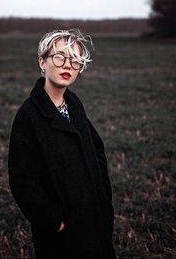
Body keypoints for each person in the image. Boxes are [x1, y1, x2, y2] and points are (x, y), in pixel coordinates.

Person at [8, 28, 115, 258]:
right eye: (59, 57)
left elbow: (97, 153)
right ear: (42, 62)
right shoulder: (28, 116)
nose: (67, 65)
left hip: (93, 221)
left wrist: (104, 200)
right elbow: (22, 178)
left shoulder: (75, 108)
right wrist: (51, 219)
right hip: (61, 232)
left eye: (75, 61)